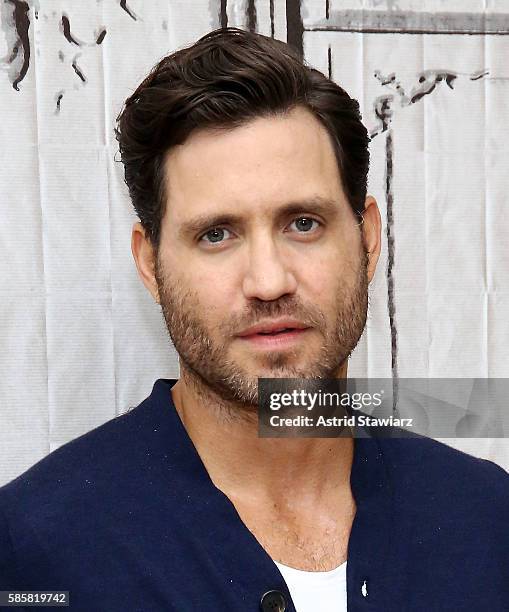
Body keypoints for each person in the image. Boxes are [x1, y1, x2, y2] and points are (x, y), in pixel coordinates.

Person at [0, 27, 507, 612]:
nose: (268, 282)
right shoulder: (35, 552)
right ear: (150, 264)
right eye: (216, 235)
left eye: (303, 224)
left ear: (367, 240)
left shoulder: (490, 523)